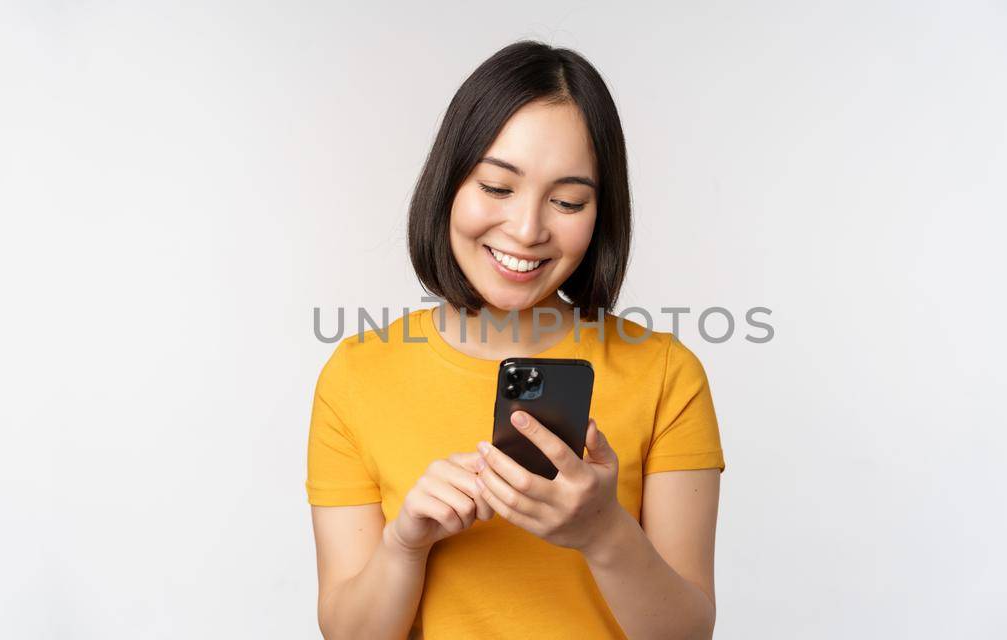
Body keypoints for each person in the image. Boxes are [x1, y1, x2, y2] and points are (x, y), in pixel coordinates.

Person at [307, 40, 725, 639]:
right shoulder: (357, 375)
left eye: (568, 201)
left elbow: (688, 634)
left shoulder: (665, 374)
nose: (528, 230)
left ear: (601, 213)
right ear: (448, 184)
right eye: (498, 188)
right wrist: (404, 545)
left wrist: (604, 533)